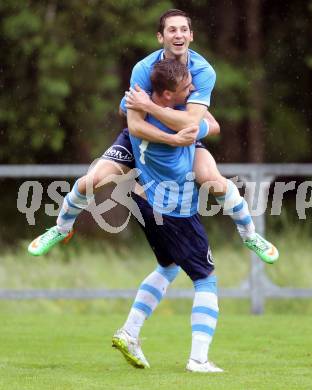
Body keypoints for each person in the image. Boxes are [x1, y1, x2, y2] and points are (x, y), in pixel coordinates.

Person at [27, 9, 278, 264]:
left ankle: (250, 236)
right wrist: (172, 137)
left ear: (191, 35)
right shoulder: (143, 69)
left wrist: (151, 108)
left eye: (183, 29)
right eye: (172, 30)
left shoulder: (203, 71)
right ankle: (61, 229)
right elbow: (135, 127)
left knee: (213, 179)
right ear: (160, 37)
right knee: (90, 181)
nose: (178, 35)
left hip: (183, 135)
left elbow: (192, 122)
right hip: (144, 139)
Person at [112, 58, 223, 372]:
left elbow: (130, 119)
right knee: (205, 279)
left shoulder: (141, 113)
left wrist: (147, 103)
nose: (191, 92)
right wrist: (180, 124)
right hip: (174, 209)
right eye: (185, 88)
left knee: (169, 266)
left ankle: (130, 331)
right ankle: (198, 359)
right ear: (167, 95)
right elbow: (210, 126)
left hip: (141, 198)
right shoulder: (176, 120)